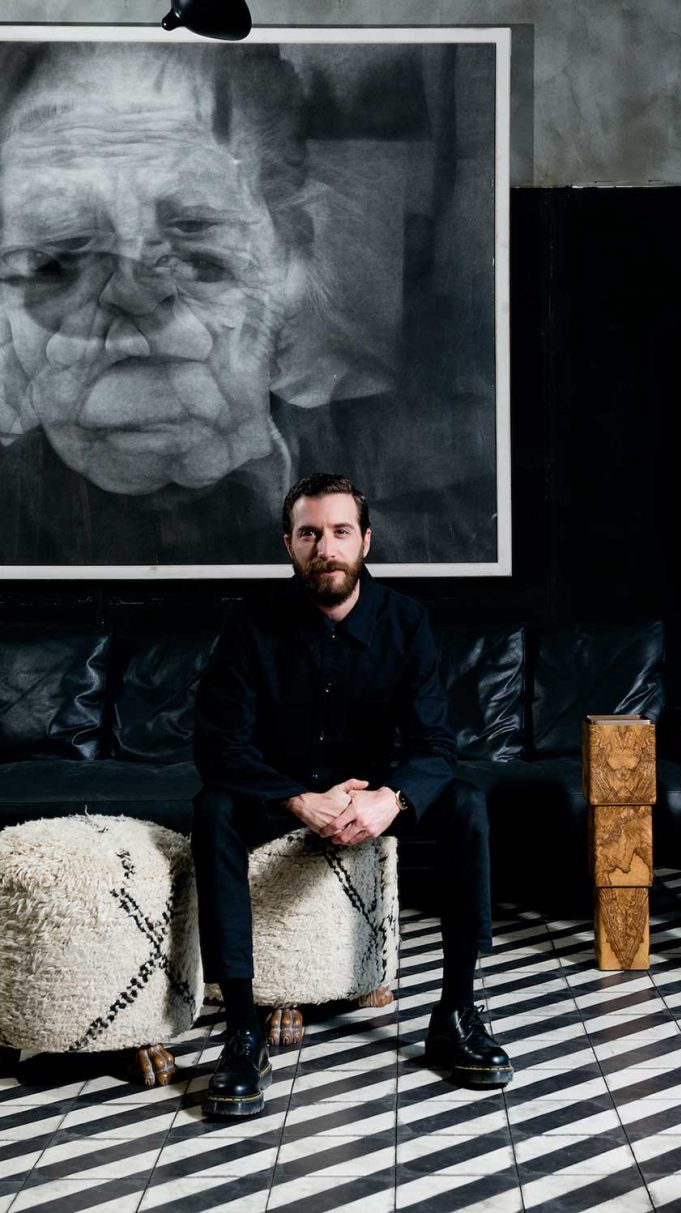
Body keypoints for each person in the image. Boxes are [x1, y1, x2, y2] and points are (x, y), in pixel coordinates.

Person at [0, 42, 497, 567]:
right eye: (54, 257)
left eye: (195, 243)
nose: (131, 292)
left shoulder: (422, 486)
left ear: (290, 259)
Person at [192, 471, 512, 1117]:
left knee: (468, 805)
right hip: (282, 795)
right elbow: (218, 745)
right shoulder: (249, 624)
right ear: (289, 542)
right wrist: (297, 799)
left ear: (365, 540)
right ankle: (243, 1030)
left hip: (373, 796)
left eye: (340, 531)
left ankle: (456, 1010)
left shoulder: (408, 622)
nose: (326, 547)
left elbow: (436, 744)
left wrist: (389, 798)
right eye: (309, 533)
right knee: (214, 808)